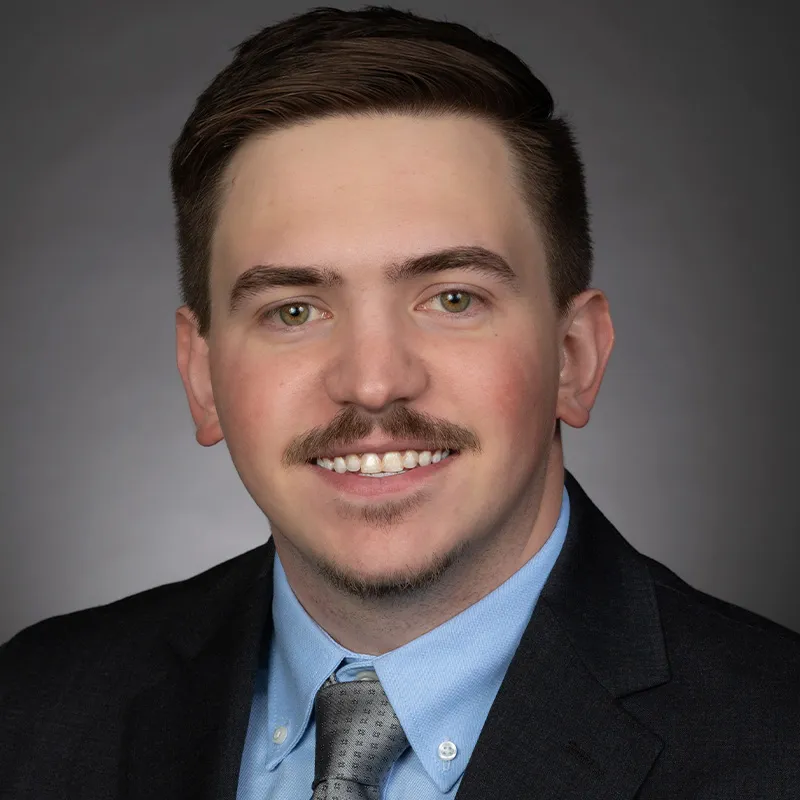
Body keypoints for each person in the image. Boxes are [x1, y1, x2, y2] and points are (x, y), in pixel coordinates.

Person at [1, 5, 798, 798]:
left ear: (574, 358)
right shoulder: (34, 710)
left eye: (452, 298)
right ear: (201, 379)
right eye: (294, 310)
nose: (375, 383)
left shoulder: (776, 742)